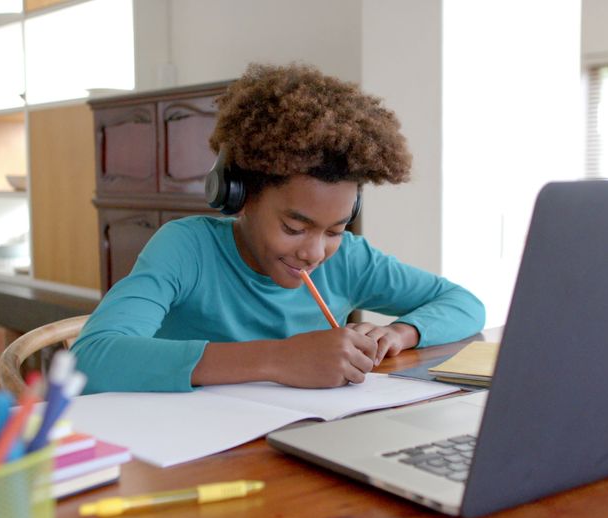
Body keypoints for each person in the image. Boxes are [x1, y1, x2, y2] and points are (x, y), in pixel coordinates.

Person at [72, 63, 484, 393]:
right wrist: (279, 359)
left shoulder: (351, 260)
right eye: (294, 227)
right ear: (240, 197)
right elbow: (92, 358)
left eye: (334, 230)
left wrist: (400, 332)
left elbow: (464, 304)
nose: (314, 252)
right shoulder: (186, 249)